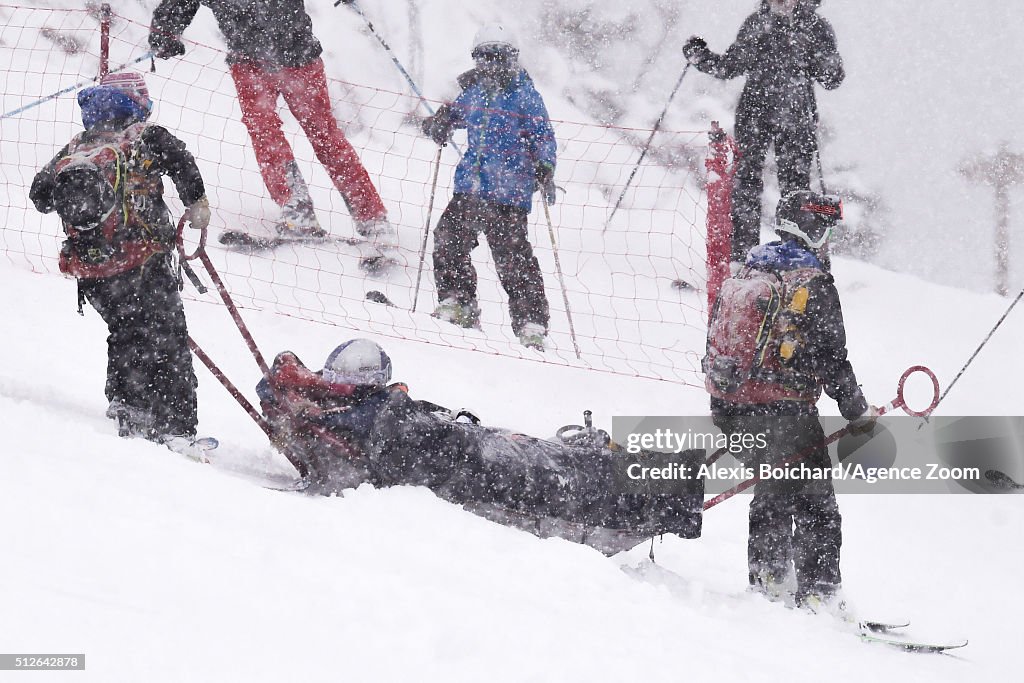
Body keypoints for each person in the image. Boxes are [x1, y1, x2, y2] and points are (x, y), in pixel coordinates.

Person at [256, 338, 704, 554]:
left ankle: (664, 474)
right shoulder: (378, 420)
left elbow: (279, 387)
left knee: (561, 465)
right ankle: (668, 479)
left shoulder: (363, 414)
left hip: (478, 452)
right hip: (485, 464)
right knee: (565, 474)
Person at [702, 189, 877, 612]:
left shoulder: (748, 270)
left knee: (774, 488)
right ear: (812, 228)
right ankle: (820, 593)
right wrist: (858, 412)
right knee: (816, 501)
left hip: (729, 407)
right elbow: (833, 358)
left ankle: (769, 580)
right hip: (781, 411)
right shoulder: (811, 282)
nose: (827, 240)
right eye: (826, 230)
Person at [29, 71, 209, 456]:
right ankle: (177, 428)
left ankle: (129, 408)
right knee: (168, 339)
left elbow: (40, 196)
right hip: (144, 261)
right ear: (139, 103)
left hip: (95, 271)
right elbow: (183, 163)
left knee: (126, 334)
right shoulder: (148, 137)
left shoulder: (77, 147)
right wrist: (197, 204)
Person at [148, 0, 393, 246]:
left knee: (324, 134)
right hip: (249, 62)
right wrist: (164, 34)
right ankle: (296, 209)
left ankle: (372, 217)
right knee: (265, 132)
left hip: (297, 55)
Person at [421, 24, 556, 350]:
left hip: (509, 192)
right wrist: (440, 121)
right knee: (448, 240)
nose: (491, 66)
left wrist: (545, 165)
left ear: (512, 59)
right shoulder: (474, 92)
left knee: (512, 259)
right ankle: (458, 301)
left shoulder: (525, 96)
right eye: (484, 59)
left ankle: (530, 323)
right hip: (471, 187)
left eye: (498, 58)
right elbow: (455, 114)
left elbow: (544, 137)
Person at [683, 0, 844, 267]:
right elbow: (729, 67)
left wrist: (822, 59)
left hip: (793, 119)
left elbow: (832, 78)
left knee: (795, 191)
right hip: (756, 114)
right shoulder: (758, 23)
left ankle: (795, 258)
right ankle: (742, 259)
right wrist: (701, 57)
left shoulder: (815, 27)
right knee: (746, 182)